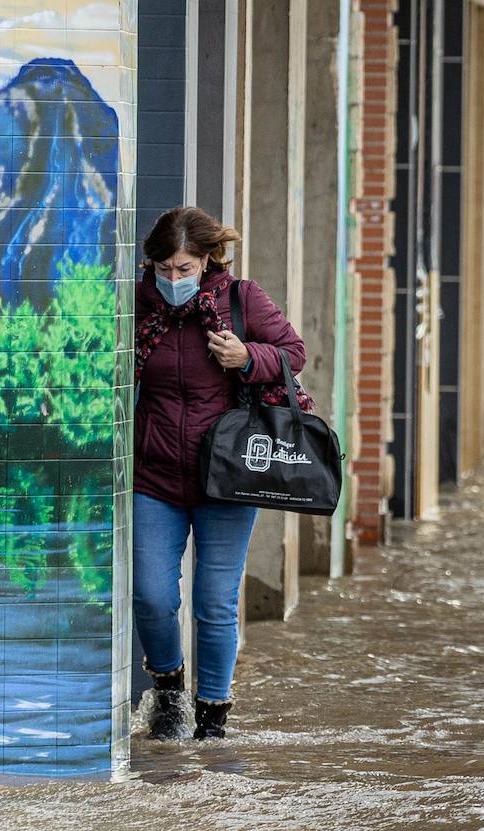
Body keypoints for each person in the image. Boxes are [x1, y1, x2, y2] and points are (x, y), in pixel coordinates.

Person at [134, 206, 311, 741]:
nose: (172, 280)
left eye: (184, 268)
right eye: (163, 268)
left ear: (208, 258)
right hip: (153, 474)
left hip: (227, 476)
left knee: (215, 601)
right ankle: (168, 686)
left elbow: (293, 353)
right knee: (151, 595)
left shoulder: (242, 299)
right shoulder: (136, 304)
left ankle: (212, 717)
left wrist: (246, 356)